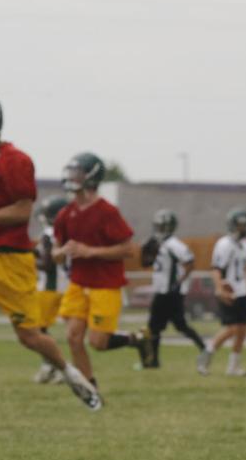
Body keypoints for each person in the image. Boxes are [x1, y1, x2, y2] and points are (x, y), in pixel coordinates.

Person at [0, 93, 100, 432]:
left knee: (30, 337)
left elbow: (23, 211)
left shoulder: (16, 160)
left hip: (11, 260)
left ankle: (70, 373)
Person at [53, 152, 151, 395]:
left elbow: (129, 249)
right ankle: (89, 389)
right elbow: (56, 252)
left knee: (97, 343)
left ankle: (136, 339)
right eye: (72, 172)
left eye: (79, 173)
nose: (73, 177)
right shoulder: (66, 214)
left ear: (92, 177)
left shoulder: (107, 211)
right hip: (78, 283)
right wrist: (62, 251)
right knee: (73, 337)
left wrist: (90, 252)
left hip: (105, 284)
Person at [143, 209, 206, 368]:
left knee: (154, 327)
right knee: (178, 326)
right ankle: (205, 348)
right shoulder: (158, 243)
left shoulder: (174, 244)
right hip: (164, 290)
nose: (160, 230)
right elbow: (146, 263)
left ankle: (153, 361)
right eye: (158, 226)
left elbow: (190, 263)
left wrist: (178, 282)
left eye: (163, 226)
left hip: (169, 292)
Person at [197, 208, 246, 377]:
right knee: (231, 328)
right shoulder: (224, 244)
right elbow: (216, 269)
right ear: (232, 225)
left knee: (242, 329)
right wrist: (220, 288)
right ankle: (206, 355)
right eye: (240, 225)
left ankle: (234, 367)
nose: (243, 228)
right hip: (228, 290)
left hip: (241, 291)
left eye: (245, 225)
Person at [32, 194, 70, 383]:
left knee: (38, 332)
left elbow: (47, 265)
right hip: (68, 286)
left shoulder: (48, 233)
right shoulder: (68, 231)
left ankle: (52, 367)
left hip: (50, 287)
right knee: (72, 333)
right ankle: (59, 367)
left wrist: (30, 259)